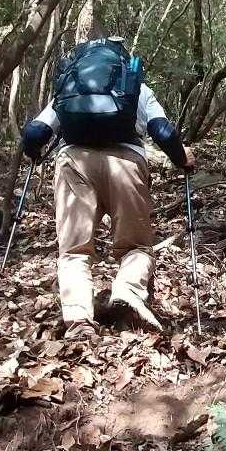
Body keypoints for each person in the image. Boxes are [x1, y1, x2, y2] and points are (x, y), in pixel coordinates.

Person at [21, 39, 194, 337]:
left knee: (74, 250)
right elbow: (162, 132)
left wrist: (33, 153)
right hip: (126, 163)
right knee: (136, 245)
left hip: (74, 162)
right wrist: (182, 159)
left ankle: (78, 320)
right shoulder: (134, 85)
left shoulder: (71, 86)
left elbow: (35, 133)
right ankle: (128, 292)